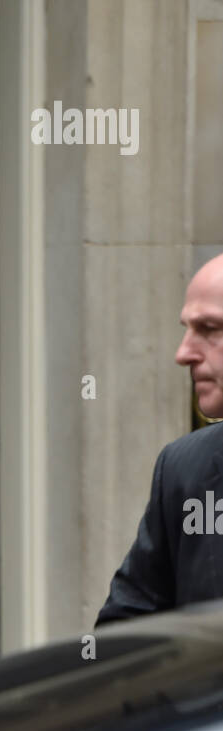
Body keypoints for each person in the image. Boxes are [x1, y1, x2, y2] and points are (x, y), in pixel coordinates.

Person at [97, 252, 223, 625]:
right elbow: (124, 638)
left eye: (210, 329)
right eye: (186, 328)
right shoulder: (185, 469)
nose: (183, 354)